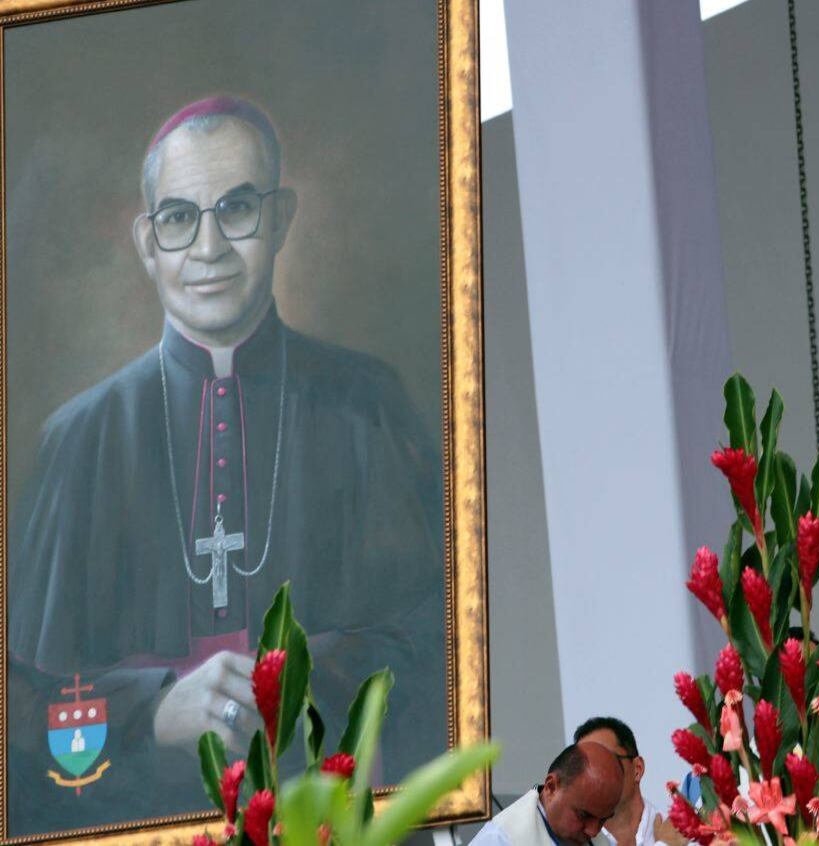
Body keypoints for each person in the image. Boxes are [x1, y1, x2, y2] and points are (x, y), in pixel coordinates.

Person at [7, 96, 445, 834]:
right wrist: (153, 710)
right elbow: (22, 712)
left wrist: (297, 681)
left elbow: (438, 646)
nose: (208, 247)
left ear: (281, 219)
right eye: (179, 218)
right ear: (147, 243)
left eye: (236, 209)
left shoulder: (367, 407)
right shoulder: (78, 441)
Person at [470, 742, 624, 846]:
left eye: (603, 820)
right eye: (584, 815)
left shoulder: (605, 842)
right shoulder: (499, 840)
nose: (593, 831)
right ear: (551, 787)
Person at [573, 716, 687, 846]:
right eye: (583, 767)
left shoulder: (680, 835)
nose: (593, 774)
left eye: (605, 761)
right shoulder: (573, 841)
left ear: (637, 769)